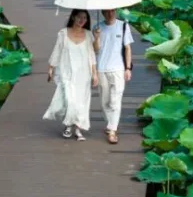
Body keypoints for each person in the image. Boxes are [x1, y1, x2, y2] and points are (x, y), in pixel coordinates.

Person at [44, 9, 98, 141]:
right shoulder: (63, 33)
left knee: (82, 101)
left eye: (84, 18)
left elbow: (93, 54)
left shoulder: (88, 34)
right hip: (66, 70)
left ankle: (78, 128)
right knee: (69, 98)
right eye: (79, 17)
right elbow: (57, 50)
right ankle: (68, 125)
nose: (82, 20)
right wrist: (51, 68)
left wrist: (95, 74)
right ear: (73, 17)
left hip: (83, 73)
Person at [92, 9, 134, 145]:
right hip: (102, 68)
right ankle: (110, 124)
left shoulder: (123, 26)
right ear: (103, 13)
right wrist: (97, 37)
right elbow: (95, 50)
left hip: (118, 68)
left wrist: (128, 68)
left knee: (115, 100)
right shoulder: (97, 27)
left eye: (112, 11)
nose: (110, 14)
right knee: (105, 102)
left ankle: (112, 131)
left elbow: (127, 48)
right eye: (107, 12)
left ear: (115, 11)